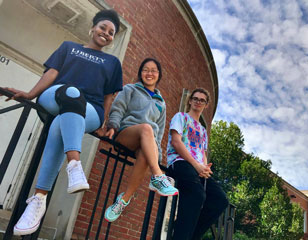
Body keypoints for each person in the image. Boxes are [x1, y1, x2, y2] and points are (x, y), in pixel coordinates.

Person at [3, 9, 123, 236]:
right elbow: (51, 74)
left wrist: (102, 122)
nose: (106, 34)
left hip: (91, 109)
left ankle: (39, 200)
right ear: (92, 28)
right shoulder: (69, 47)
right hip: (57, 95)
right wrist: (30, 94)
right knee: (72, 93)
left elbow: (109, 96)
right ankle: (74, 165)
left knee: (60, 124)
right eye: (103, 28)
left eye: (111, 33)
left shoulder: (113, 62)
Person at [103, 58, 178, 222]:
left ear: (159, 75)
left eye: (153, 70)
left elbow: (159, 132)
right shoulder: (130, 89)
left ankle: (123, 200)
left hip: (146, 140)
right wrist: (112, 126)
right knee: (146, 128)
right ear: (140, 73)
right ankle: (157, 176)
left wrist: (156, 156)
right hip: (127, 134)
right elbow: (118, 108)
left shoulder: (162, 103)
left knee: (147, 149)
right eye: (145, 69)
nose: (149, 73)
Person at [166, 88, 229, 240]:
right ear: (190, 100)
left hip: (197, 168)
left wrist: (205, 168)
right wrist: (196, 165)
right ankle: (180, 235)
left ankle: (191, 235)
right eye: (195, 98)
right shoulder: (180, 117)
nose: (198, 102)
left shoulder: (202, 130)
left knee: (220, 200)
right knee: (197, 194)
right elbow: (176, 142)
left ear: (206, 104)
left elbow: (203, 153)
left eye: (202, 100)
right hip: (180, 162)